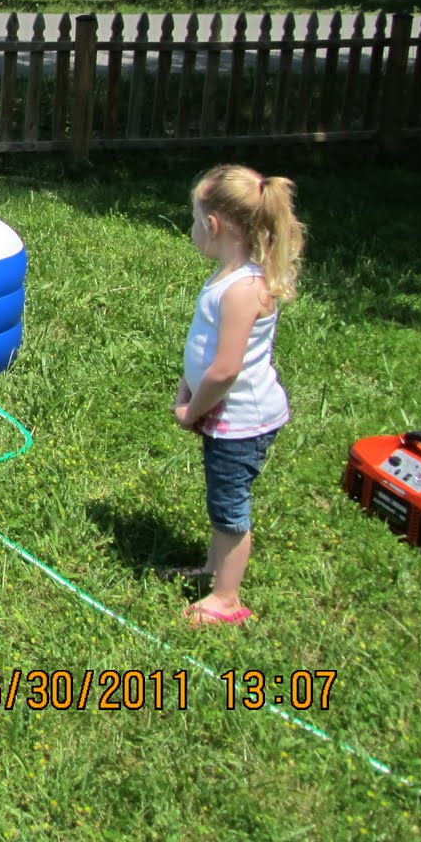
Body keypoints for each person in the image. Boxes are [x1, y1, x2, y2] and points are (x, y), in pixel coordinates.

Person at [167, 164, 305, 626]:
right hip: (226, 413)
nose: (192, 227)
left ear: (213, 225)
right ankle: (214, 567)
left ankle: (227, 600)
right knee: (220, 496)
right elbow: (208, 351)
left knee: (229, 507)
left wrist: (192, 410)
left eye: (193, 218)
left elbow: (226, 369)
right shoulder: (231, 276)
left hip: (240, 419)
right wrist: (188, 382)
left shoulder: (242, 290)